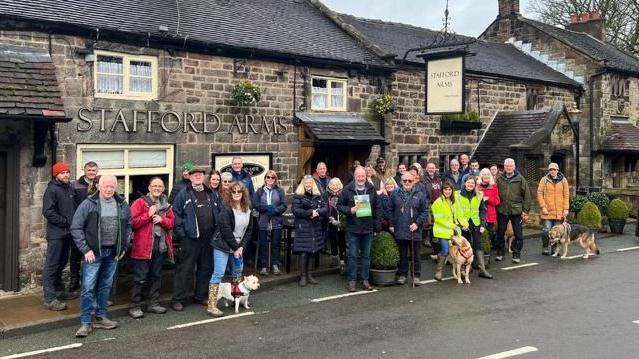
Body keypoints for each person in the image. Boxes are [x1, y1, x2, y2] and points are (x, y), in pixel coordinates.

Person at [71, 175, 132, 338]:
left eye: (112, 186)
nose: (109, 189)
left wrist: (123, 247)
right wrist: (85, 250)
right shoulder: (88, 204)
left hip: (112, 253)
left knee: (106, 286)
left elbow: (128, 227)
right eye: (106, 186)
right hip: (93, 253)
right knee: (88, 287)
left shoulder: (122, 204)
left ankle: (101, 316)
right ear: (98, 186)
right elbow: (76, 228)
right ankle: (85, 322)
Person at [171, 167, 219, 311]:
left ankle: (200, 296)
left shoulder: (211, 193)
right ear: (190, 177)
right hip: (190, 238)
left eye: (200, 175)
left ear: (204, 177)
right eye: (194, 175)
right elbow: (175, 214)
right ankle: (178, 299)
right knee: (185, 269)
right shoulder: (183, 193)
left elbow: (219, 211)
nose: (197, 177)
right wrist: (182, 233)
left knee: (205, 268)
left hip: (208, 238)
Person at [128, 177, 175, 319]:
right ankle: (134, 306)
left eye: (160, 186)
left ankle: (153, 304)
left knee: (156, 276)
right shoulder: (140, 203)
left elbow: (172, 223)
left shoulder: (166, 205)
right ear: (149, 188)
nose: (157, 188)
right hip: (143, 247)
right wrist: (147, 216)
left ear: (163, 189)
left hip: (160, 247)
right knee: (140, 278)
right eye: (154, 186)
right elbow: (131, 222)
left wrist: (163, 220)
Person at [207, 181, 253, 317]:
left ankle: (235, 298)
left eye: (239, 191)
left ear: (244, 193)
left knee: (237, 272)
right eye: (234, 191)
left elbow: (249, 230)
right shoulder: (226, 208)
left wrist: (242, 247)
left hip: (238, 246)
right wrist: (236, 247)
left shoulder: (248, 208)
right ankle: (211, 306)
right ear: (230, 193)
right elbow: (225, 230)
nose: (237, 194)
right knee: (218, 273)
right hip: (222, 245)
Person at [338, 166, 382, 292]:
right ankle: (351, 281)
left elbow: (377, 207)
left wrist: (377, 224)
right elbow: (339, 205)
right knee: (352, 256)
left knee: (366, 256)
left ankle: (365, 280)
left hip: (368, 228)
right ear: (355, 176)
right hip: (353, 228)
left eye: (363, 176)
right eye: (358, 176)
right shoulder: (347, 189)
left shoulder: (371, 188)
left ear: (365, 176)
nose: (361, 178)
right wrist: (349, 210)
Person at [42, 161, 78, 311]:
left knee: (62, 262)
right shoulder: (51, 190)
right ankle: (50, 298)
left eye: (67, 172)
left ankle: (59, 290)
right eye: (62, 173)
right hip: (57, 234)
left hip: (68, 233)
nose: (66, 175)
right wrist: (64, 222)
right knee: (52, 265)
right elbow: (48, 211)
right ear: (56, 175)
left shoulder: (69, 188)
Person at [389, 172, 429, 286]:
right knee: (403, 254)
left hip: (414, 230)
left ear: (413, 181)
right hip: (400, 228)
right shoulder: (394, 194)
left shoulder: (420, 194)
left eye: (409, 181)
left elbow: (425, 211)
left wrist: (417, 223)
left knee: (415, 255)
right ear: (401, 181)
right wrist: (392, 224)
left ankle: (416, 275)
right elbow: (390, 209)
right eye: (404, 180)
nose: (407, 183)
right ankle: (402, 274)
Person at [69, 161, 99, 293]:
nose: (91, 173)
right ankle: (74, 279)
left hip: (94, 225)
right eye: (89, 170)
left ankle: (90, 283)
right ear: (84, 171)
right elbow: (71, 204)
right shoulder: (75, 184)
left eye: (93, 170)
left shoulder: (100, 183)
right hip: (80, 223)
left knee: (92, 254)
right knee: (75, 253)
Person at [455, 174, 492, 279]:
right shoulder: (457, 194)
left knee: (478, 246)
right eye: (468, 182)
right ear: (464, 183)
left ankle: (482, 270)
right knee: (463, 247)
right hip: (462, 224)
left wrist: (482, 224)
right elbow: (456, 210)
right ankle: (464, 269)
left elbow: (482, 211)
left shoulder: (479, 194)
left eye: (472, 183)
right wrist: (460, 224)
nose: (470, 184)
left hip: (475, 224)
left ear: (475, 184)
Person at [292, 175, 327, 286]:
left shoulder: (317, 195)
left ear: (313, 184)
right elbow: (295, 210)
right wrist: (310, 212)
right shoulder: (298, 196)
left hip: (314, 226)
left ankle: (310, 275)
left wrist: (318, 212)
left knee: (312, 251)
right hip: (303, 226)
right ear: (303, 184)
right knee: (303, 252)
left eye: (310, 183)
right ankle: (302, 277)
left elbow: (325, 208)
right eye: (306, 183)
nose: (308, 185)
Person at [495, 158, 532, 263]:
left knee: (518, 234)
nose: (509, 168)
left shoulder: (520, 179)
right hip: (502, 210)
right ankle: (500, 253)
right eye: (507, 166)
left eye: (511, 166)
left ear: (514, 167)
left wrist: (525, 210)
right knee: (500, 233)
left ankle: (516, 254)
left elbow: (527, 195)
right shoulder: (500, 178)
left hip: (516, 211)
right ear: (504, 167)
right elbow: (494, 192)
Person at [253, 170, 287, 275]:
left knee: (276, 244)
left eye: (272, 177)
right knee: (263, 244)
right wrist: (266, 208)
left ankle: (274, 265)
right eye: (268, 177)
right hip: (263, 221)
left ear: (275, 179)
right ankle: (264, 266)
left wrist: (275, 210)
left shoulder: (280, 191)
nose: (270, 179)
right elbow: (256, 204)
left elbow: (284, 205)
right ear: (265, 178)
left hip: (276, 221)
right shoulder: (259, 191)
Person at [537, 162, 570, 255]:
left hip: (559, 211)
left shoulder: (564, 180)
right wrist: (543, 206)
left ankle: (554, 249)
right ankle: (545, 247)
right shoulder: (544, 180)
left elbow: (566, 195)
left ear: (558, 170)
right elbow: (539, 193)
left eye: (554, 169)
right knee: (546, 230)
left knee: (557, 232)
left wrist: (566, 209)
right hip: (547, 210)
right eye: (551, 169)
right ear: (549, 171)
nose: (553, 171)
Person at [431, 181, 456, 281]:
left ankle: (462, 269)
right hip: (442, 231)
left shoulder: (453, 201)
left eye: (449, 189)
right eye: (445, 189)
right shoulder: (438, 202)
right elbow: (438, 219)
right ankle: (439, 271)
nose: (447, 191)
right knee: (445, 250)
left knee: (458, 250)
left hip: (453, 230)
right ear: (442, 190)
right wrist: (451, 225)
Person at [325, 177, 347, 275]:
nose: (334, 187)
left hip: (342, 222)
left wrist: (342, 220)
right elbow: (324, 208)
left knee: (342, 242)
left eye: (336, 185)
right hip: (331, 222)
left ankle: (342, 262)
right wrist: (329, 217)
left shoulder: (343, 195)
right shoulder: (327, 196)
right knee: (333, 241)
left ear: (340, 186)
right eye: (333, 185)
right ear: (330, 186)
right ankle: (334, 259)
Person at [478, 168, 500, 261]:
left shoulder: (494, 186)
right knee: (479, 237)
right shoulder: (477, 186)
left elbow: (497, 201)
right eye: (484, 174)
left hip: (490, 216)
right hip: (479, 215)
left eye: (488, 174)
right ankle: (479, 258)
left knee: (489, 237)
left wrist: (487, 198)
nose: (486, 176)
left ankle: (486, 257)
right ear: (481, 176)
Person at [423, 161, 442, 250]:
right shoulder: (423, 179)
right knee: (428, 222)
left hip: (438, 203)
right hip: (429, 203)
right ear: (426, 169)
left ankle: (435, 237)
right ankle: (426, 238)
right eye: (429, 168)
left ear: (435, 169)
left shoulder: (438, 178)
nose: (431, 169)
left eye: (433, 168)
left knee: (437, 221)